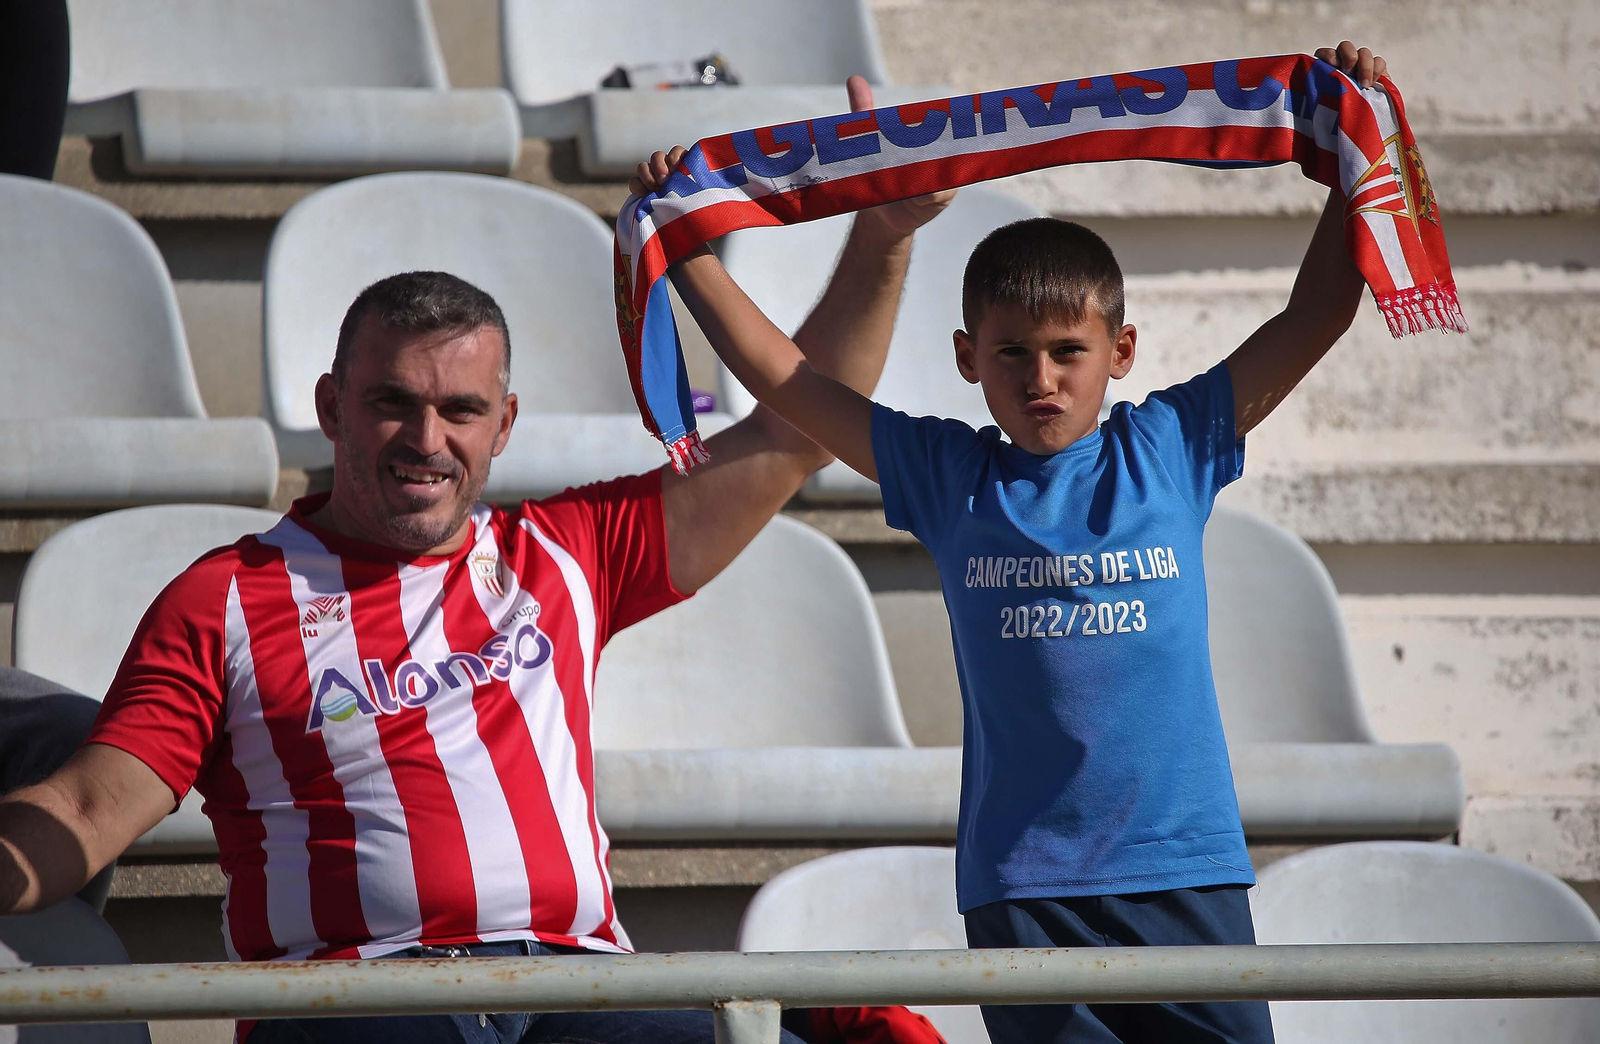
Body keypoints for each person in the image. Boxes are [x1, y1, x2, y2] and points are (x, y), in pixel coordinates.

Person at [0, 78, 953, 1044]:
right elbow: (86, 807)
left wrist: (885, 240)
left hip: (588, 989)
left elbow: (793, 438)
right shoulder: (226, 597)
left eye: (459, 411)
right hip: (363, 997)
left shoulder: (568, 551)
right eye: (391, 403)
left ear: (503, 426)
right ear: (331, 408)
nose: (425, 438)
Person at [646, 40, 1388, 1044]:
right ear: (967, 360)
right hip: (1023, 885)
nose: (1041, 378)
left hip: (1184, 871)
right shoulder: (951, 476)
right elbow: (786, 380)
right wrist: (683, 247)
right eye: (1011, 354)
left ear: (1119, 353)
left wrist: (1357, 156)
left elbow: (1316, 312)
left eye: (1068, 352)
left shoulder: (1172, 445)